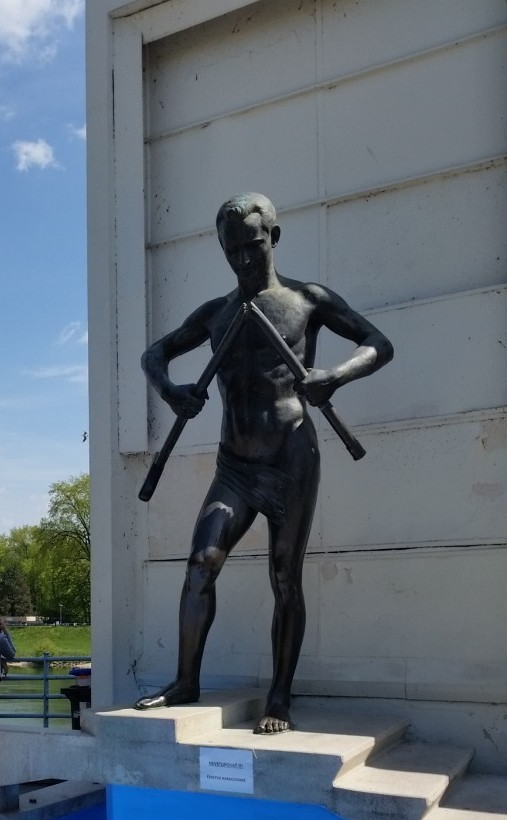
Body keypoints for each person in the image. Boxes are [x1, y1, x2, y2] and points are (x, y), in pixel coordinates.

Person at [135, 192, 393, 734]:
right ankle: (185, 681)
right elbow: (153, 354)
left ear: (273, 237)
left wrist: (335, 376)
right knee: (201, 562)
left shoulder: (307, 300)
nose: (243, 259)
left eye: (252, 247)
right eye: (231, 250)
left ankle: (279, 697)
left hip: (291, 455)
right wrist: (170, 391)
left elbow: (378, 343)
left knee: (284, 577)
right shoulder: (217, 313)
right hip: (234, 464)